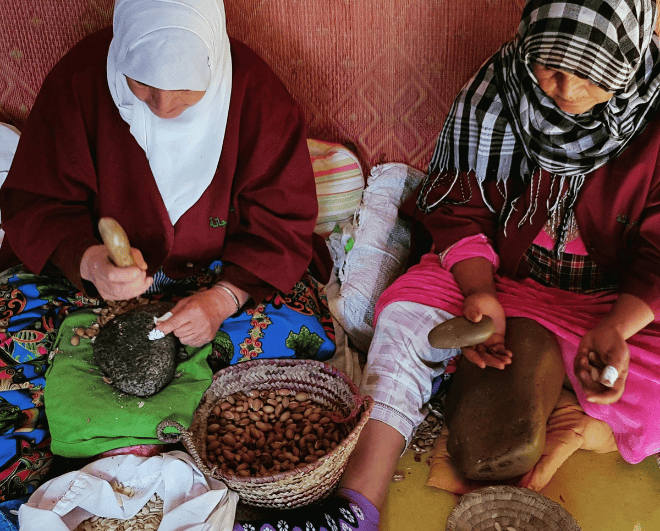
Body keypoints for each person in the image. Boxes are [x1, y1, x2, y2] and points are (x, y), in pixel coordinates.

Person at [234, 0, 660, 529]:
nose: (567, 92)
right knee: (403, 321)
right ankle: (355, 506)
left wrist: (618, 328)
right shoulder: (496, 91)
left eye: (593, 76)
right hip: (500, 277)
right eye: (551, 67)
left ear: (629, 60)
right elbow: (458, 207)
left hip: (605, 303)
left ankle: (585, 421)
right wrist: (479, 293)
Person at [0, 0, 335, 503]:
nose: (162, 106)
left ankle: (208, 473)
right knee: (9, 334)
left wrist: (223, 300)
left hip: (223, 275)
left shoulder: (255, 93)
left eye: (185, 93)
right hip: (90, 286)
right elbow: (35, 203)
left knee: (299, 344)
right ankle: (34, 490)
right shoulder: (82, 79)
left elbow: (283, 222)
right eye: (143, 86)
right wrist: (88, 260)